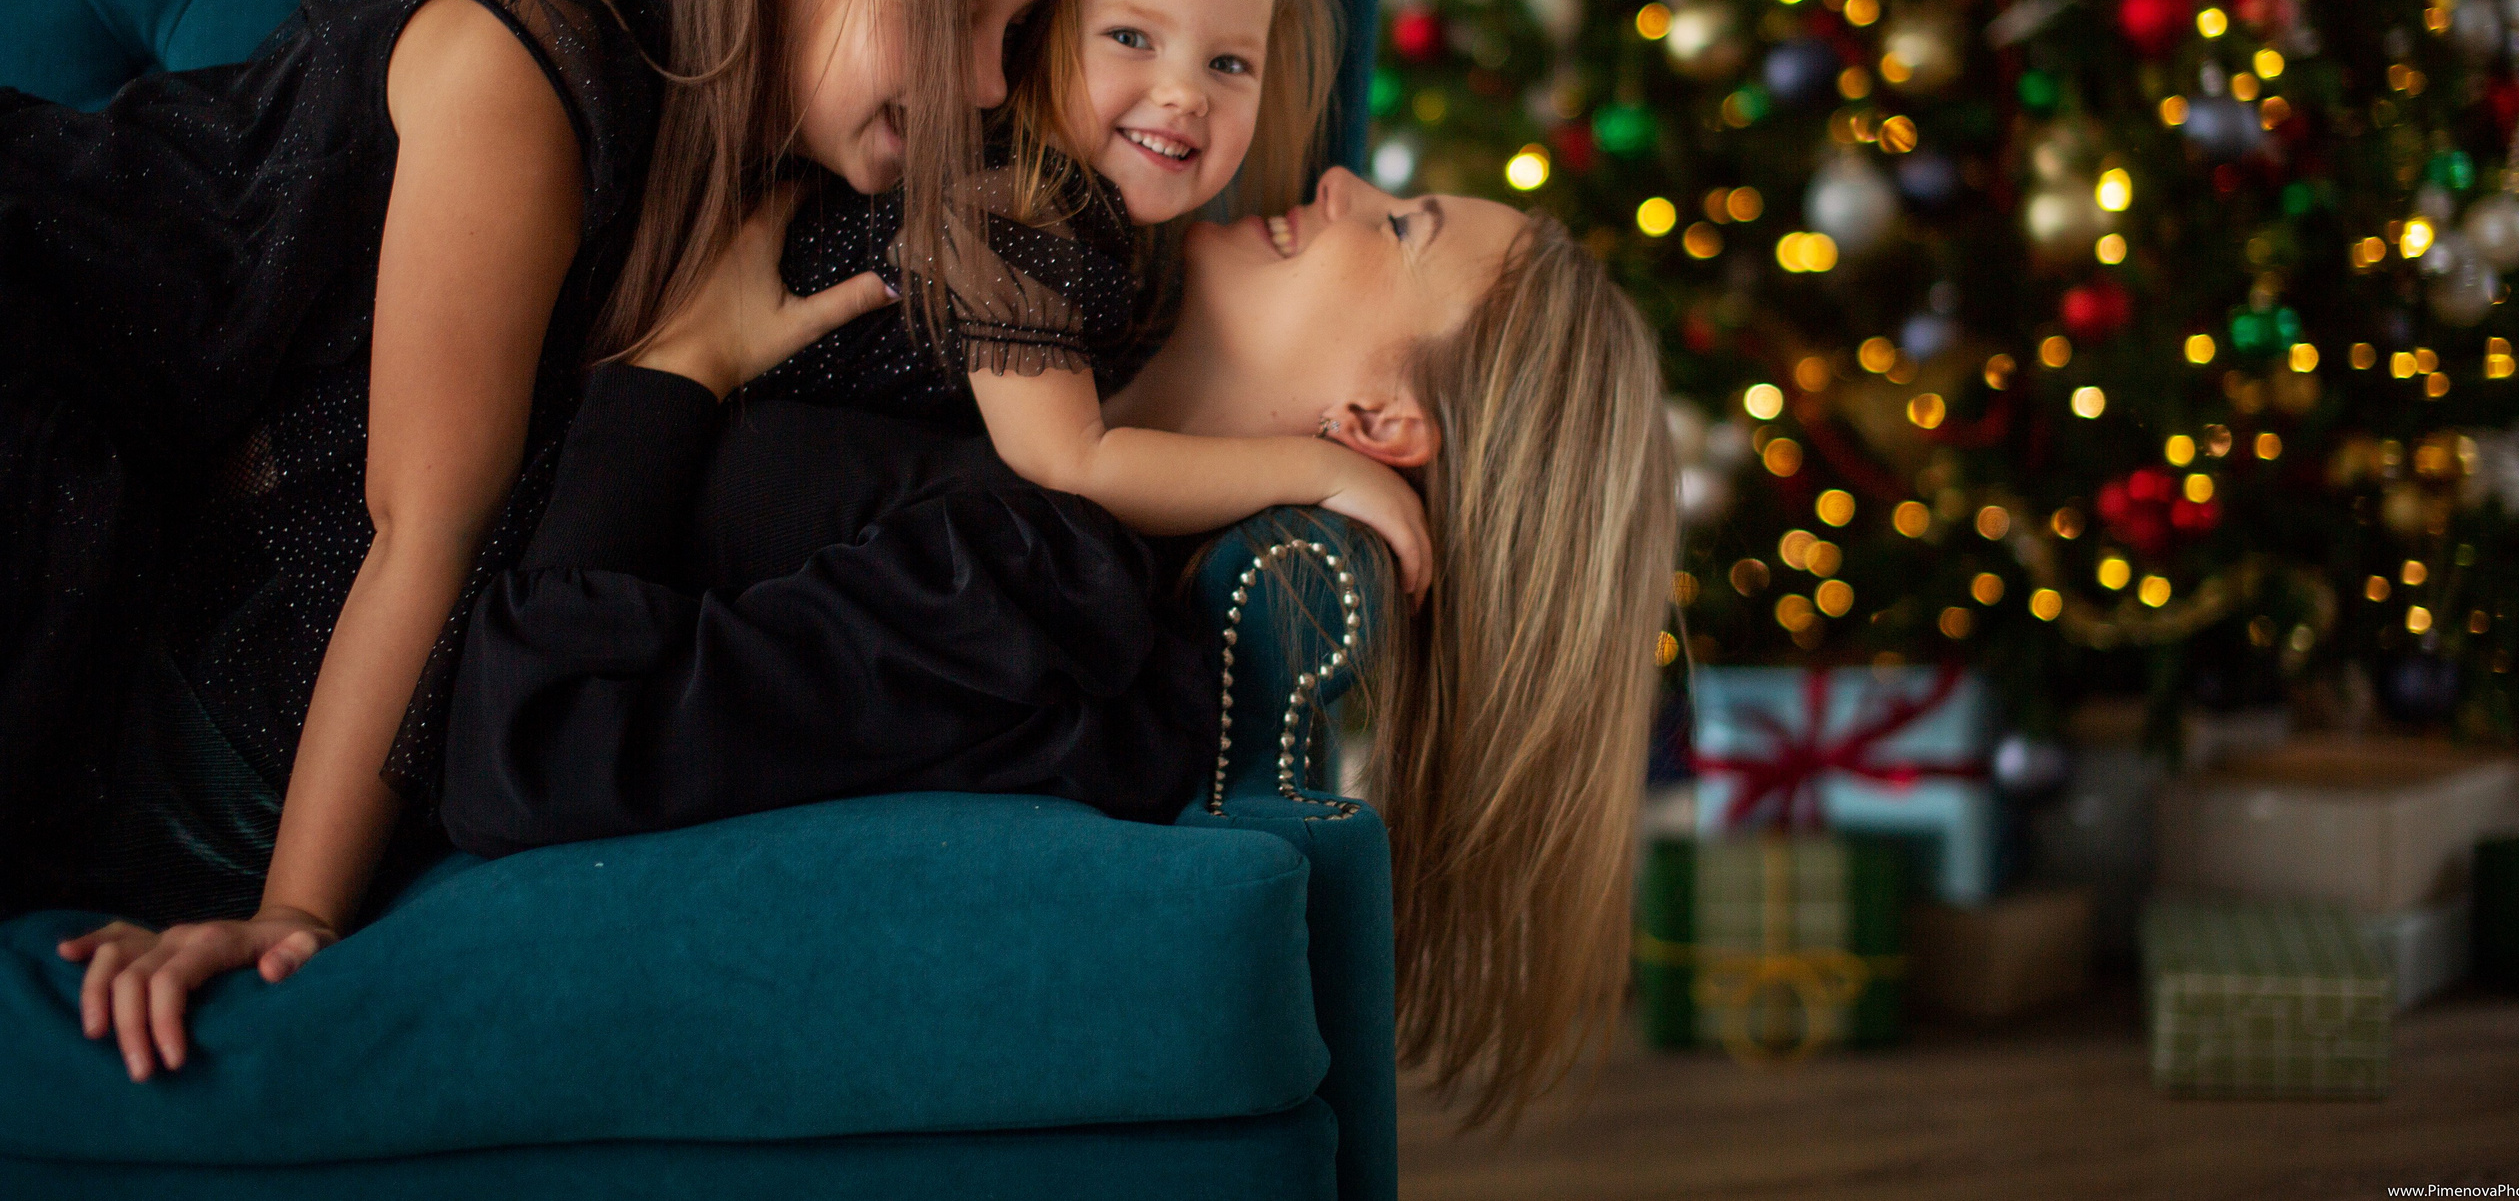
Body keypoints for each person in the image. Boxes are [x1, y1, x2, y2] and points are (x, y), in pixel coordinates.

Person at [1, 0, 1077, 1082]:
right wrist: (296, 914)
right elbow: (422, 527)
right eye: (955, 10)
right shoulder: (530, 65)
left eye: (1013, 30)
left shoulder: (782, 165)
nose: (984, 82)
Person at [445, 164, 1680, 1125]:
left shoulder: (1040, 589)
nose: (1344, 182)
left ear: (1377, 419)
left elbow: (541, 744)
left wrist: (676, 365)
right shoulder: (1030, 388)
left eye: (1402, 227)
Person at [739, 0, 1432, 593]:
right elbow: (1071, 461)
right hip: (745, 487)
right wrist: (1320, 470)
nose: (1185, 94)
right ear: (1039, 41)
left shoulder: (1101, 234)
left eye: (1228, 64)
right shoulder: (1009, 207)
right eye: (1130, 39)